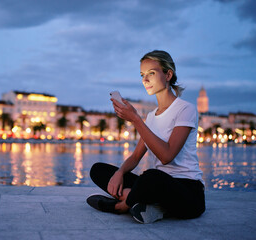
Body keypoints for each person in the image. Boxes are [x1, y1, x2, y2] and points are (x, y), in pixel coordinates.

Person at [87, 50, 205, 224]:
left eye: (151, 73)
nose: (145, 80)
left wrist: (135, 119)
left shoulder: (185, 109)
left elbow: (166, 156)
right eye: (142, 75)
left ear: (168, 74)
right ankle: (149, 204)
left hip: (187, 192)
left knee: (151, 177)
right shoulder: (151, 117)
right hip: (157, 187)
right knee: (98, 170)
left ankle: (120, 206)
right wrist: (120, 172)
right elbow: (135, 157)